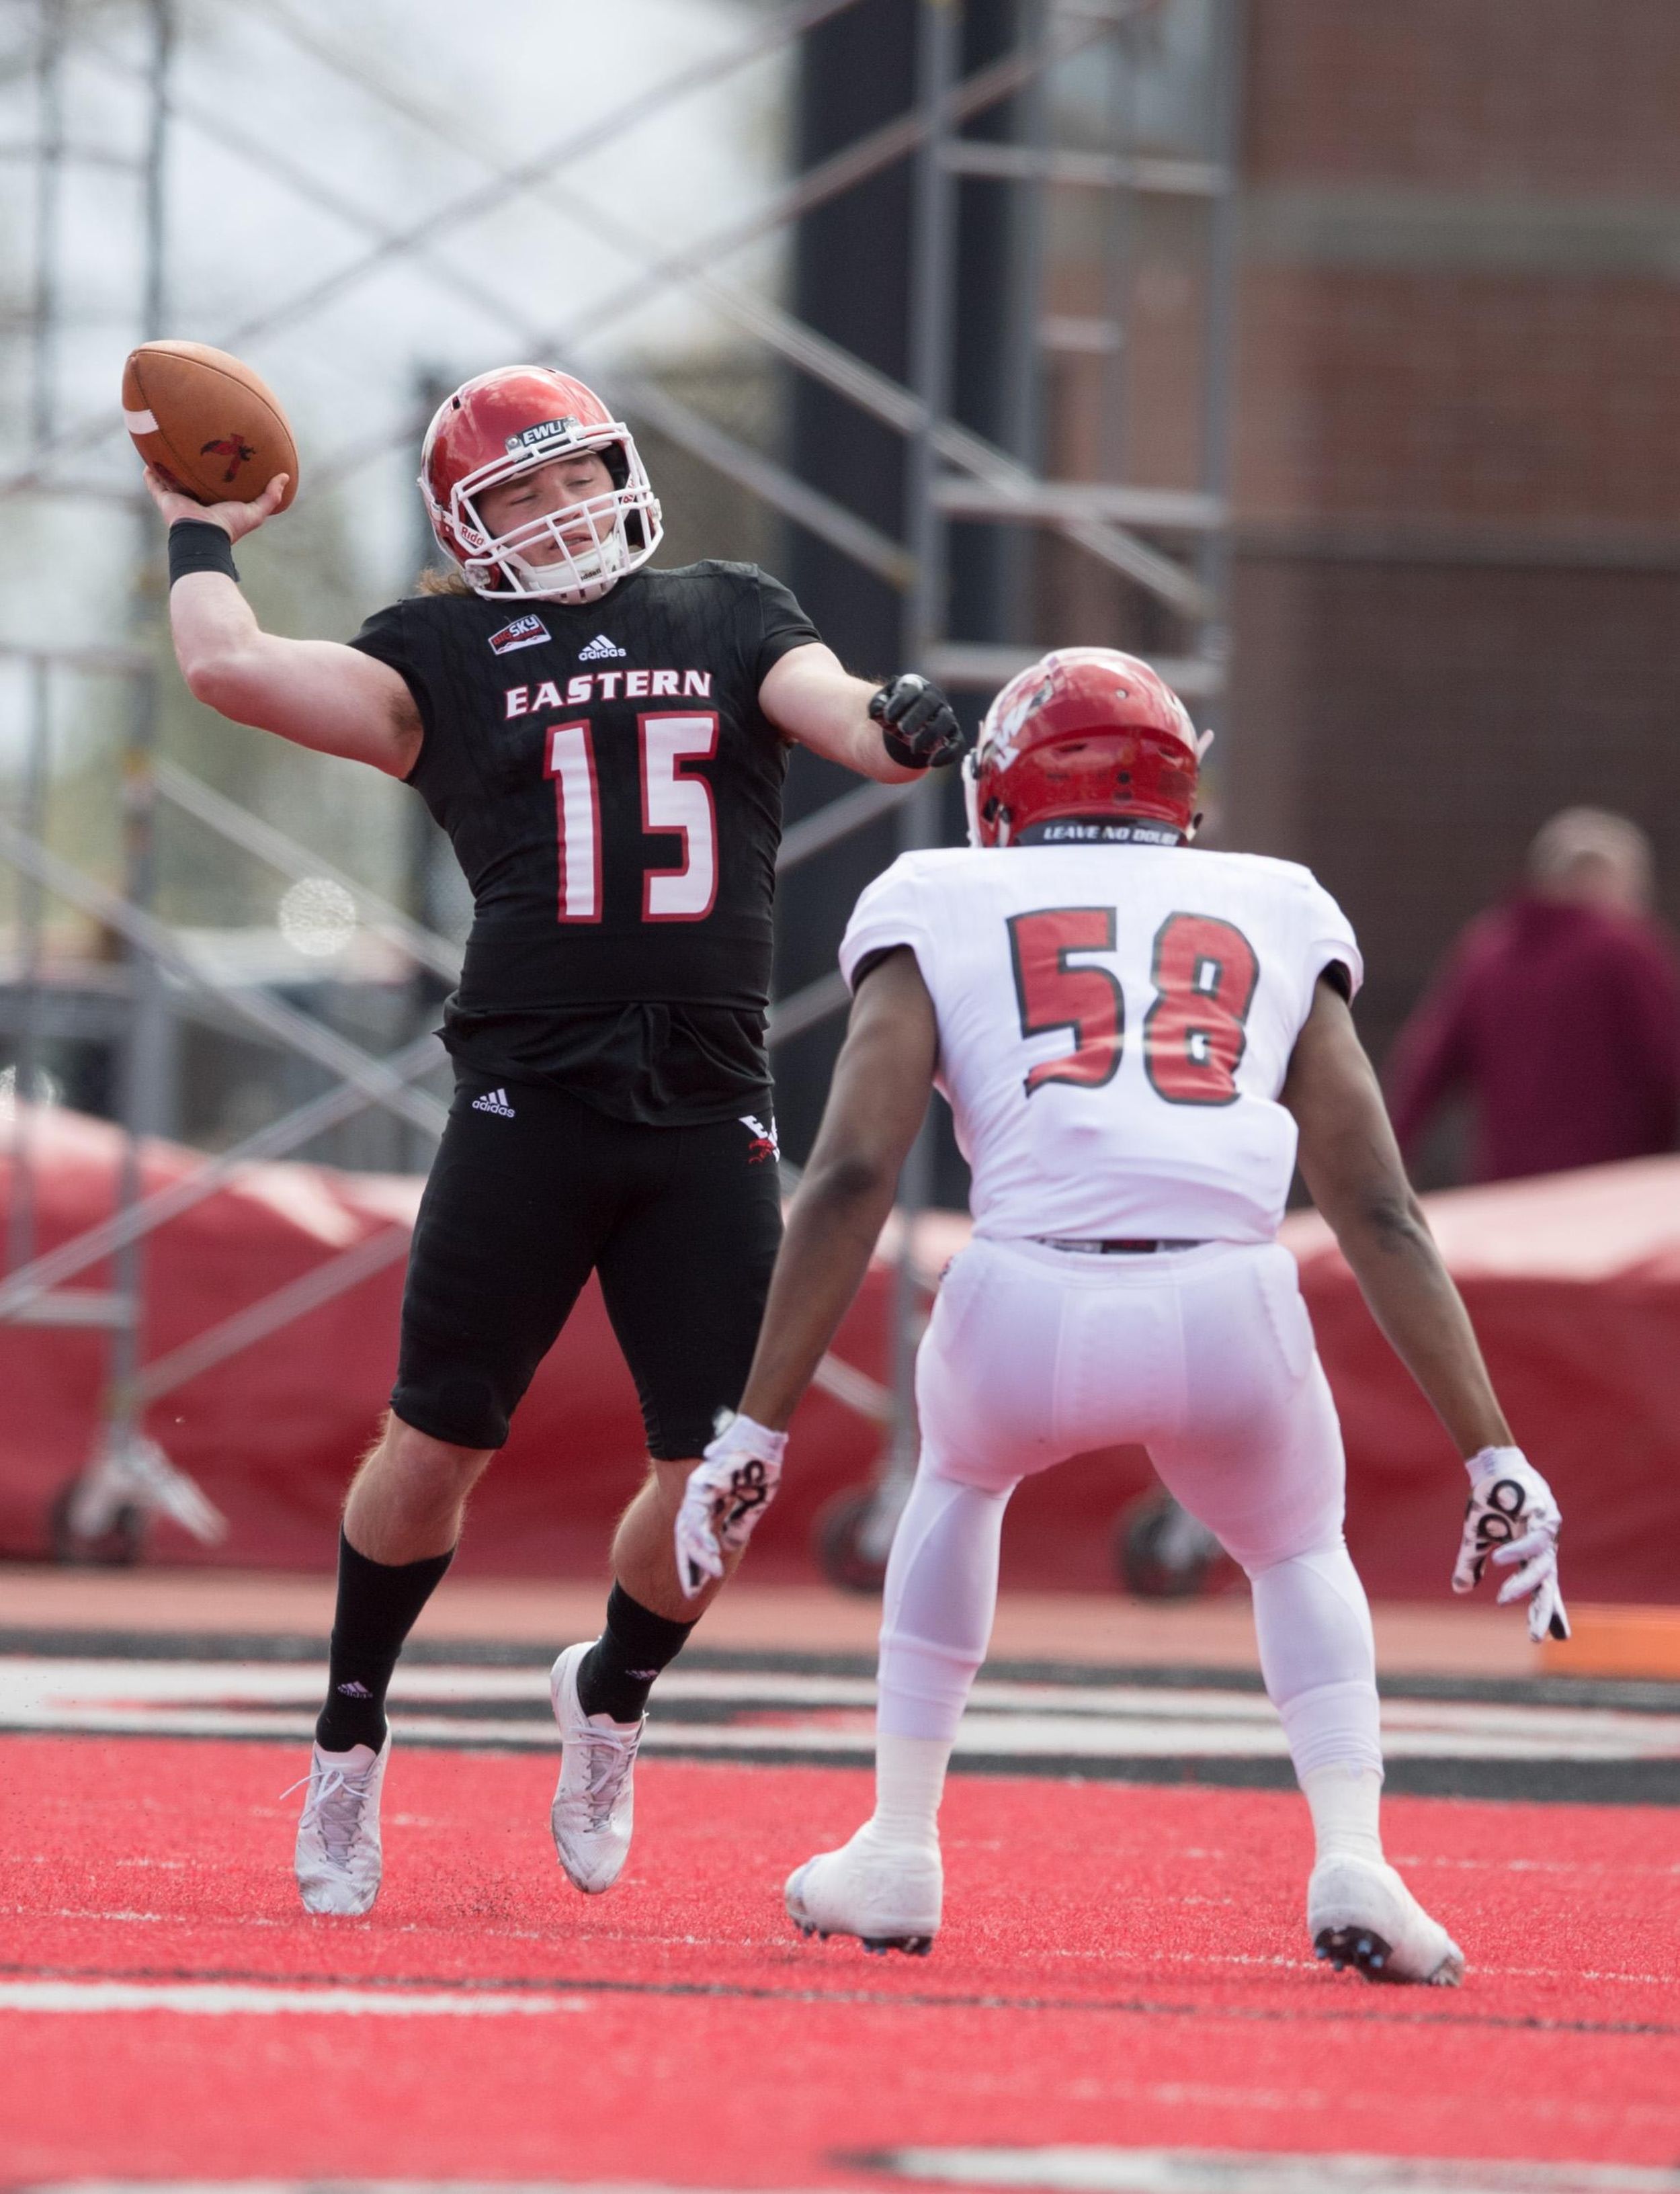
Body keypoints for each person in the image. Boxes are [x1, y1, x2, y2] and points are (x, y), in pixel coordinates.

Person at [144, 364, 964, 1917]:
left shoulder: (726, 609)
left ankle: (610, 1690)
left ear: (620, 472)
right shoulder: (443, 649)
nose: (555, 509)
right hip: (526, 1099)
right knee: (436, 1440)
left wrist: (898, 719)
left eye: (570, 476)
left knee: (718, 1474)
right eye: (513, 493)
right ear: (466, 530)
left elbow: (837, 710)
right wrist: (199, 526)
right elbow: (231, 672)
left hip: (705, 1107)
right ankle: (349, 1730)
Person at [674, 647, 1568, 1984]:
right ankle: (1353, 1857)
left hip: (1021, 1295)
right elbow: (1376, 1204)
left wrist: (755, 1425)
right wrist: (1491, 1449)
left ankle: (898, 1846)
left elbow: (854, 1170)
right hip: (1226, 1301)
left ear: (1009, 790)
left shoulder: (939, 891)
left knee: (956, 1489)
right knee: (1294, 1549)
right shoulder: (1272, 902)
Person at [1387, 807, 1680, 1183]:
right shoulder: (1627, 948)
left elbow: (1427, 1065)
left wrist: (1390, 1157)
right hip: (1612, 1189)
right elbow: (1669, 1057)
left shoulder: (1487, 949)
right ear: (1610, 880)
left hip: (1509, 1187)